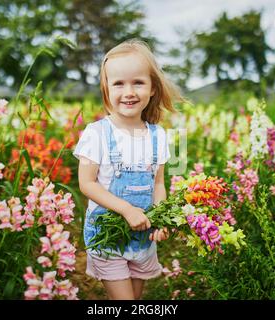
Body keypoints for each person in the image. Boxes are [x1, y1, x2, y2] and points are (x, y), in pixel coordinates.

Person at [73, 38, 185, 300]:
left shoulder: (158, 136)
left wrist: (160, 217)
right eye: (119, 83)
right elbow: (87, 184)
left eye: (138, 82)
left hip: (143, 237)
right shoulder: (97, 133)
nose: (129, 91)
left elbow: (158, 184)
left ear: (153, 88)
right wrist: (126, 209)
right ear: (107, 88)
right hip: (108, 237)